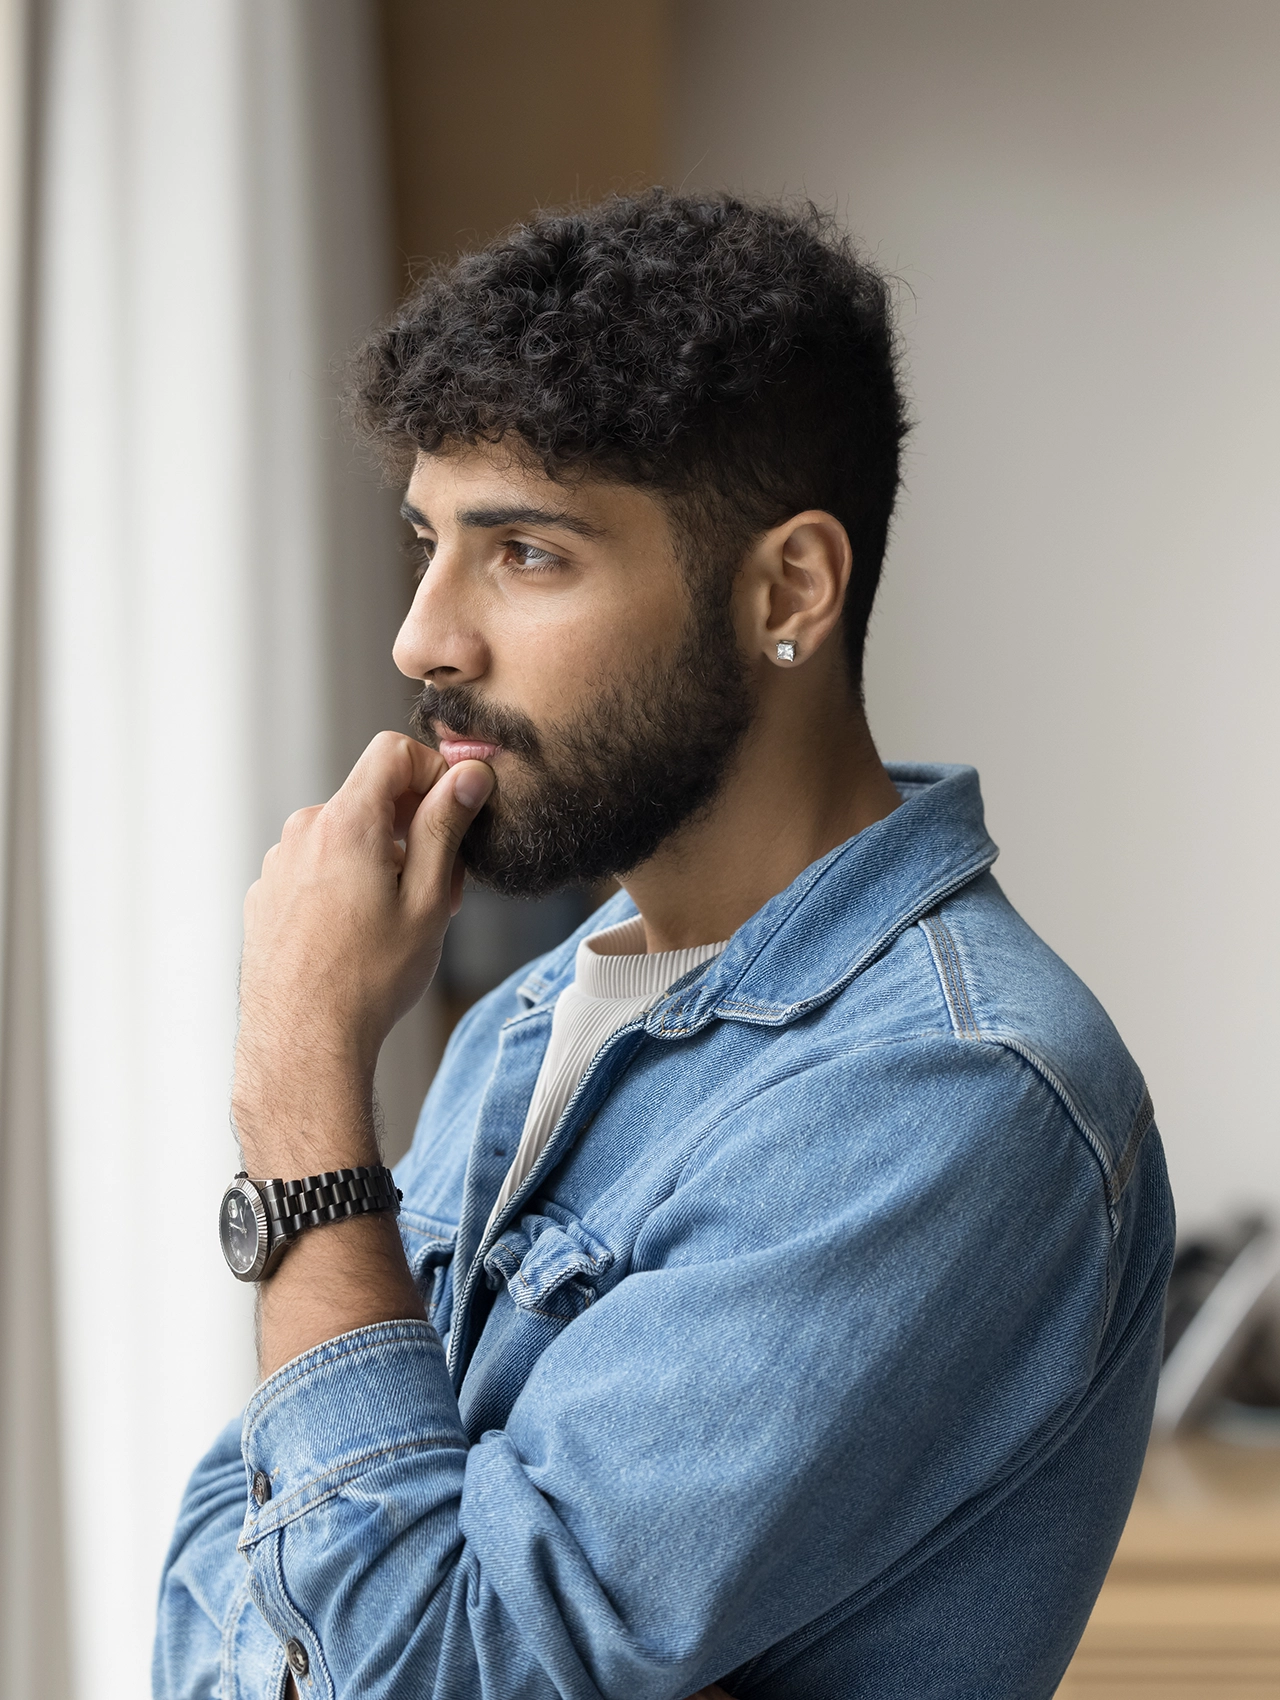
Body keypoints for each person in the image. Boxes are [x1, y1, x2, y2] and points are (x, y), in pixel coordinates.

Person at [154, 191, 1173, 1700]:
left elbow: (425, 1670)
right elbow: (228, 1591)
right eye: (429, 541)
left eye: (527, 554)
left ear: (789, 591)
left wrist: (300, 1084)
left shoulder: (952, 1094)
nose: (425, 638)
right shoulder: (521, 1027)